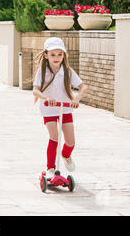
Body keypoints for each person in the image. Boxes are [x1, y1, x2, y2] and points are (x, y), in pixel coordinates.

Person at [32, 37, 88, 181]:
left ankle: (66, 155)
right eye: (53, 54)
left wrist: (76, 99)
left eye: (59, 54)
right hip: (49, 109)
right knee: (54, 137)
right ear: (46, 55)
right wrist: (45, 98)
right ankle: (50, 168)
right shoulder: (42, 71)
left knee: (70, 142)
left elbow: (83, 87)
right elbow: (35, 91)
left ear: (64, 55)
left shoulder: (67, 71)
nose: (56, 58)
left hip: (65, 108)